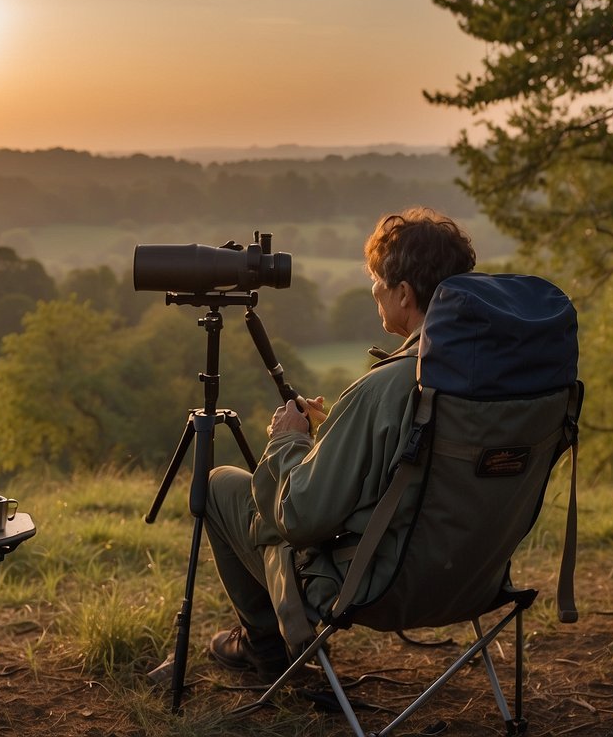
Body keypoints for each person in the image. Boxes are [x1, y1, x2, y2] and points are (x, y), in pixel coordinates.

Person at [203, 206, 477, 681]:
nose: (373, 291)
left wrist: (287, 441)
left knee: (221, 484)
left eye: (378, 281)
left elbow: (302, 519)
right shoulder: (487, 376)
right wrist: (338, 437)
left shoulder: (386, 387)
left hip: (377, 582)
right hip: (474, 577)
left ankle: (265, 647)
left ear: (405, 294)